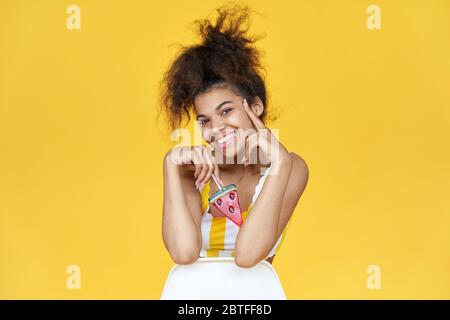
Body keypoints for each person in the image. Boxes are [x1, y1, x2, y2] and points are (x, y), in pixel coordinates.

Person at [160, 4, 309, 268]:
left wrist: (280, 164)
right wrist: (170, 165)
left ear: (255, 107)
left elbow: (248, 256)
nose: (216, 128)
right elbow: (183, 253)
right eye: (205, 120)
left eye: (226, 110)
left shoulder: (291, 167)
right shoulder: (192, 170)